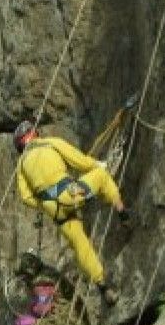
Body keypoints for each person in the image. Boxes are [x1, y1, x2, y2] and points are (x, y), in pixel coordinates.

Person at [12, 120, 130, 304]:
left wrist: (43, 204)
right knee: (101, 177)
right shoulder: (50, 143)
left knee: (79, 243)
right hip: (69, 194)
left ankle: (103, 286)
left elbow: (25, 197)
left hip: (53, 208)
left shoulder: (21, 165)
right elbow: (80, 162)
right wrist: (98, 165)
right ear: (33, 133)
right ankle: (123, 213)